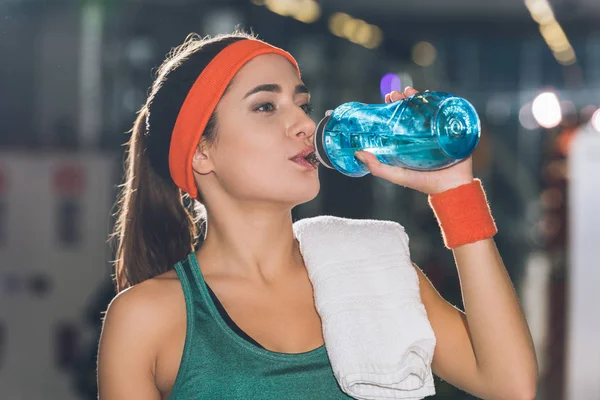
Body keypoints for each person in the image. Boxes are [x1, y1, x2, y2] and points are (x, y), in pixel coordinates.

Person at [97, 31, 538, 399]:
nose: (305, 124)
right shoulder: (146, 319)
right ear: (201, 153)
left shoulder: (374, 272)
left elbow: (510, 384)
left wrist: (454, 190)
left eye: (301, 103)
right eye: (266, 107)